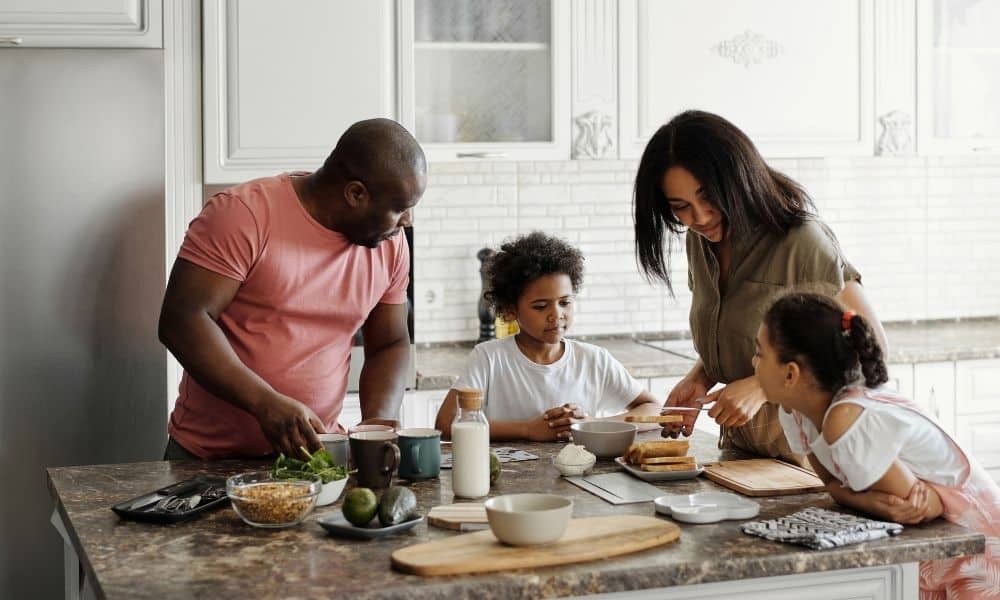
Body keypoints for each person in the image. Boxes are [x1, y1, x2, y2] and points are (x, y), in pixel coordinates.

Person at [159, 118, 426, 460]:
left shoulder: (390, 245)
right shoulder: (244, 215)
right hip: (208, 459)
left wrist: (376, 423)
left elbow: (390, 343)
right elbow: (182, 321)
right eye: (400, 208)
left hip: (313, 458)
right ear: (355, 194)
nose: (408, 221)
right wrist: (264, 403)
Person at [633, 109, 887, 464]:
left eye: (708, 197)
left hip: (812, 463)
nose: (700, 217)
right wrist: (701, 377)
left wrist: (761, 388)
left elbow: (865, 349)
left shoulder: (801, 240)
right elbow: (748, 336)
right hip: (744, 454)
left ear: (737, 179)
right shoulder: (700, 240)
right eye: (681, 207)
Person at [756, 292, 999, 599]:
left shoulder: (845, 419)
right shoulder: (796, 413)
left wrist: (863, 499)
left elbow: (911, 507)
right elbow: (833, 485)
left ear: (790, 373)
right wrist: (868, 502)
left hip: (977, 543)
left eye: (759, 353)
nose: (753, 363)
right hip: (933, 548)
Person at [434, 232, 660, 441]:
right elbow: (445, 423)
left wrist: (592, 424)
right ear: (510, 310)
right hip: (510, 480)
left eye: (565, 302)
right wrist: (527, 430)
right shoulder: (489, 358)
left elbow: (654, 409)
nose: (556, 315)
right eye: (541, 306)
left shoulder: (594, 359)